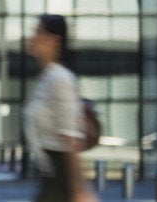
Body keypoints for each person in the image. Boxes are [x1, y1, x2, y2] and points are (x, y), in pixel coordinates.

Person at [23, 14, 99, 202]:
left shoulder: (60, 79)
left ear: (54, 41)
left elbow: (71, 138)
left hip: (61, 181)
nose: (32, 38)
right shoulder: (45, 78)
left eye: (38, 33)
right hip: (49, 177)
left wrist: (79, 189)